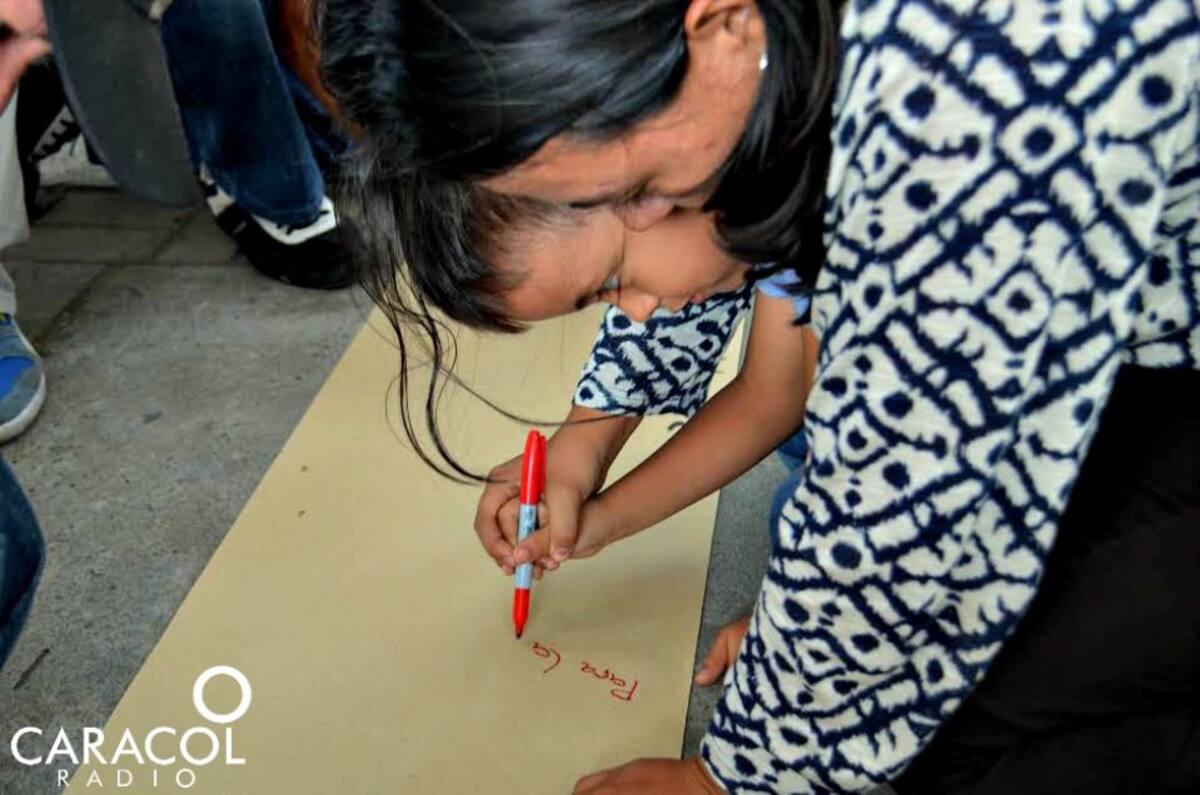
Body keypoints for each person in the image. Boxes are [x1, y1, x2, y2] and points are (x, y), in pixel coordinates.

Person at [321, 0, 1200, 792]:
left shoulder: (963, 91)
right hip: (1095, 336)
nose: (629, 300)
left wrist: (748, 763)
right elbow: (708, 270)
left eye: (632, 195)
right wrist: (589, 451)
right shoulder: (749, 110)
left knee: (930, 735)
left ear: (722, 29)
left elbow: (890, 524)